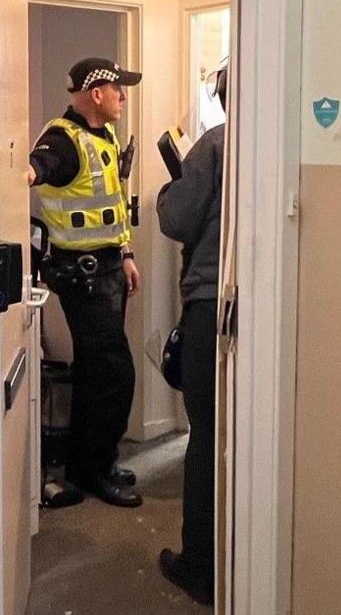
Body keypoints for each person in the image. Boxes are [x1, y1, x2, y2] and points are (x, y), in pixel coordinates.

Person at [25, 57, 144, 508]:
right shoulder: (63, 140)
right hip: (83, 278)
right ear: (96, 94)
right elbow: (37, 167)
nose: (122, 97)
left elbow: (111, 203)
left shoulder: (103, 136)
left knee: (99, 374)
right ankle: (93, 471)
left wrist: (127, 253)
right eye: (118, 89)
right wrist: (25, 172)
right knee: (114, 374)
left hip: (111, 268)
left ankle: (92, 462)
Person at [153, 61, 229, 606]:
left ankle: (199, 566)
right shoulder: (274, 142)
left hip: (210, 308)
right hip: (256, 310)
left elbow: (177, 219)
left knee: (204, 437)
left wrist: (169, 188)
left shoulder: (215, 145)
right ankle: (237, 556)